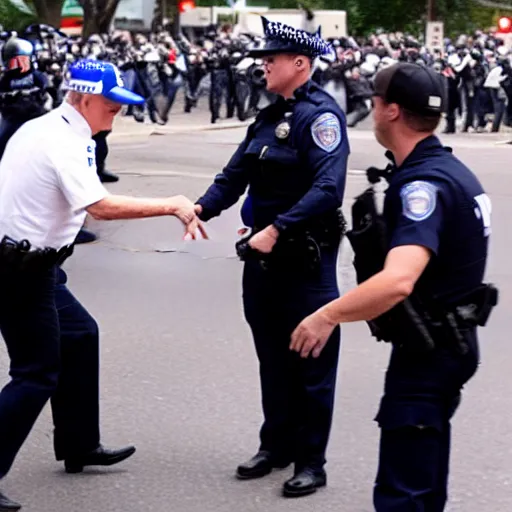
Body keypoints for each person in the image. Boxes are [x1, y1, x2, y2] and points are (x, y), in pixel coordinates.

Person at [291, 62, 497, 511]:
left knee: (404, 492)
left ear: (392, 111)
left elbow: (399, 280)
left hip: (431, 352)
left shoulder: (425, 185)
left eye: (376, 100)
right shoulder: (449, 170)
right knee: (424, 480)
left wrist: (327, 315)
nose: (373, 106)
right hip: (449, 341)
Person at [0, 59, 204, 511]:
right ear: (86, 98)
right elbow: (101, 207)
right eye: (112, 106)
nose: (118, 113)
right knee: (35, 374)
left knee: (80, 334)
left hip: (38, 265)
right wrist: (170, 203)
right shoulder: (60, 141)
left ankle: (78, 444)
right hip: (18, 271)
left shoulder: (54, 128)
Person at [195, 17, 349, 498]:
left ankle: (311, 461)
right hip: (262, 262)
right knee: (272, 357)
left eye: (272, 58)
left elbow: (329, 188)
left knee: (311, 361)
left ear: (299, 64)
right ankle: (275, 445)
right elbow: (233, 174)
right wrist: (200, 207)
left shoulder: (321, 118)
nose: (263, 64)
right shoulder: (267, 118)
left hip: (305, 259)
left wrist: (278, 228)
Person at [0, 36, 48, 158]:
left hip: (35, 115)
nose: (18, 66)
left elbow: (48, 90)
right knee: (3, 140)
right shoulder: (7, 79)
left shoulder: (36, 76)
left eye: (22, 61)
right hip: (13, 117)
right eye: (14, 62)